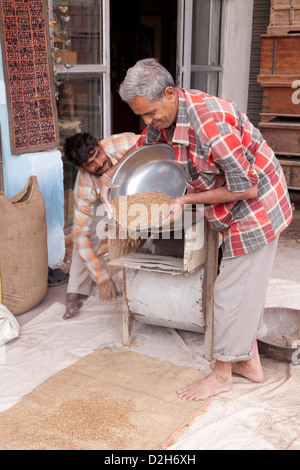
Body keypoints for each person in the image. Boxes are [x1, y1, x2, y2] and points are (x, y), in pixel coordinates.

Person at [101, 58, 293, 401]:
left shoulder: (209, 123)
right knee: (244, 289)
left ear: (171, 93)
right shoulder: (166, 117)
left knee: (230, 293)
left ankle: (222, 375)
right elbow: (144, 142)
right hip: (233, 203)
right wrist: (110, 174)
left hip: (257, 205)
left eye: (150, 112)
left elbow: (246, 188)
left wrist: (184, 201)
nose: (148, 121)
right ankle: (249, 364)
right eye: (141, 115)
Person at [63, 132, 139, 319]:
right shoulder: (84, 187)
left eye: (98, 154)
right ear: (81, 168)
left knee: (146, 225)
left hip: (136, 181)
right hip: (99, 197)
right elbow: (80, 238)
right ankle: (74, 291)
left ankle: (143, 284)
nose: (99, 163)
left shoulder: (122, 143)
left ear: (100, 146)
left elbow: (152, 141)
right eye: (90, 163)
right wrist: (102, 277)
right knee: (88, 234)